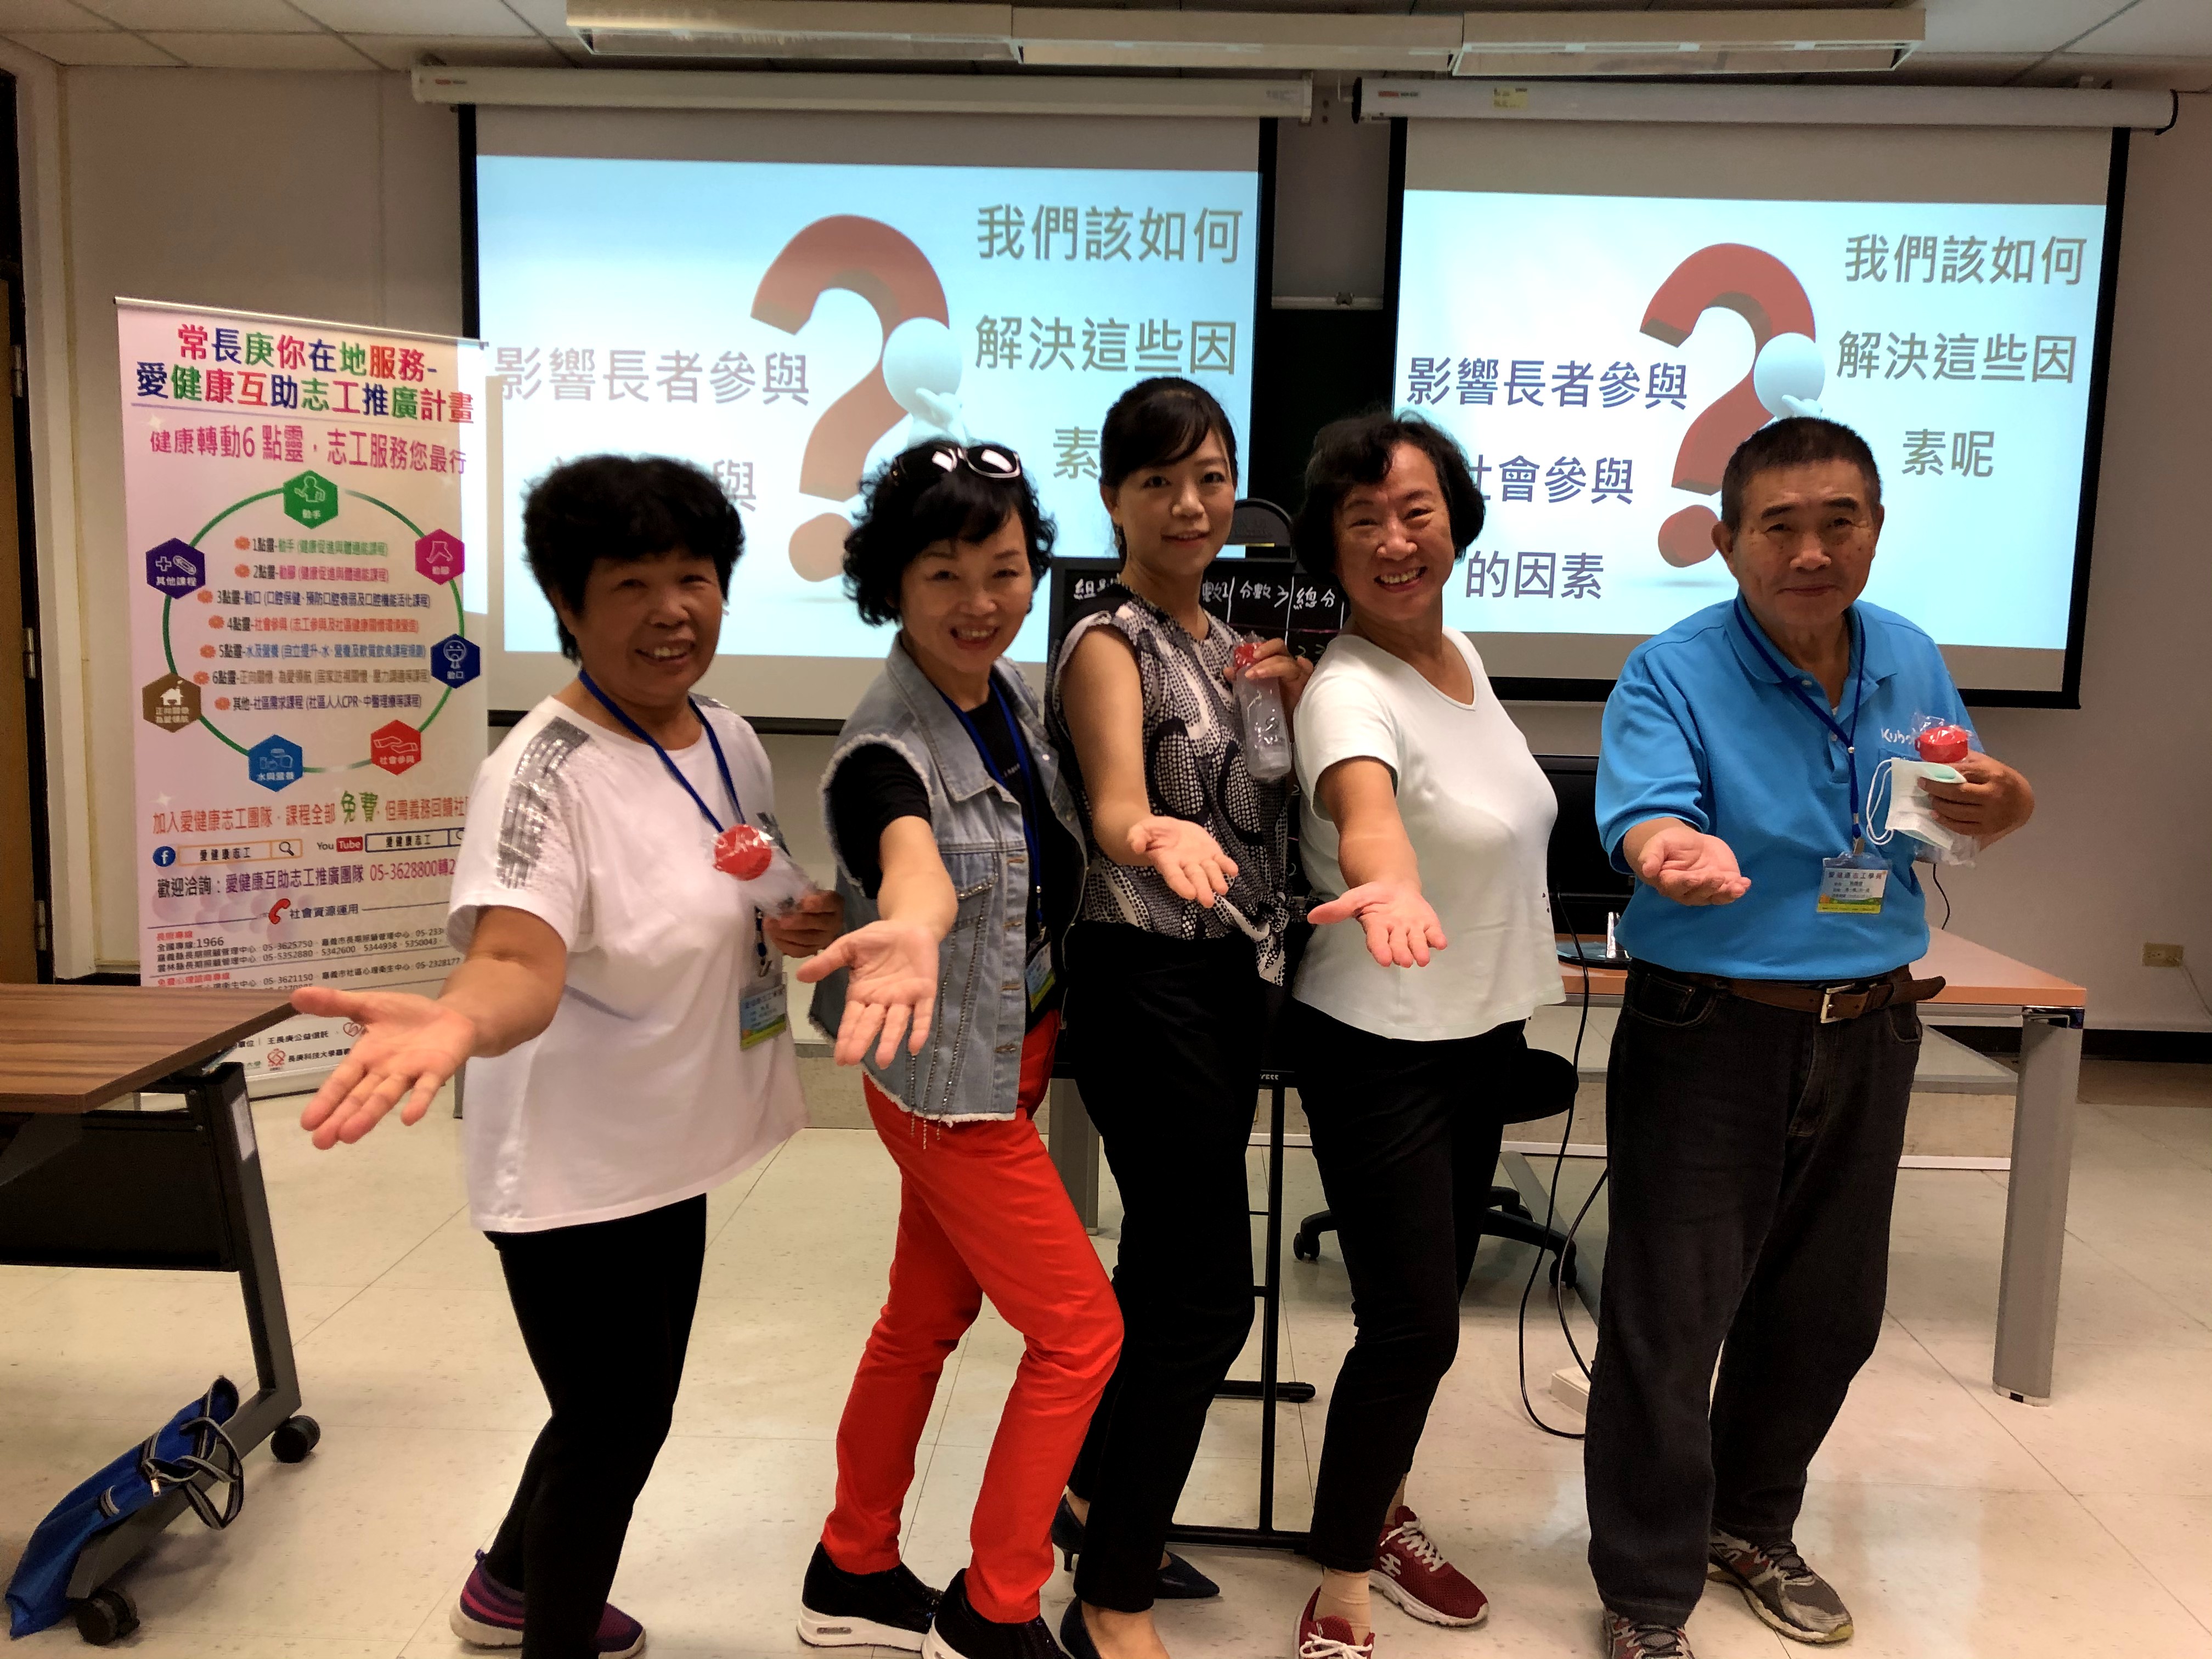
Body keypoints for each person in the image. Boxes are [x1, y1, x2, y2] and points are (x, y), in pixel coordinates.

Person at [291, 455, 841, 1659]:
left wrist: (795, 916)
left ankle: (504, 1584)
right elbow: (515, 956)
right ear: (566, 606)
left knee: (610, 1406)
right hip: (572, 1163)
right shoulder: (539, 776)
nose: (671, 611)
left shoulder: (727, 737)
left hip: (667, 1138)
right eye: (630, 584)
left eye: (693, 577)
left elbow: (739, 870)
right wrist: (458, 1019)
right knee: (614, 1427)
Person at [1585, 417, 2036, 1659]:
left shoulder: (1908, 655)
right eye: (1778, 525)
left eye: (1839, 522)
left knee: (1827, 1310)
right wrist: (1669, 851)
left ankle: (1752, 1524)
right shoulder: (1672, 670)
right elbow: (1647, 816)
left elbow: (1945, 816)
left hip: (1869, 1023)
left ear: (1876, 531)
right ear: (1726, 540)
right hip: (1710, 1027)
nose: (1811, 550)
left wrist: (2004, 805)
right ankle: (1646, 1591)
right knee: (1672, 1319)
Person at [793, 441, 1122, 1659]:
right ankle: (996, 1606)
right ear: (892, 584)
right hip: (952, 1089)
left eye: (1005, 568)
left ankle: (851, 1564)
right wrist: (914, 922)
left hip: (1006, 1058)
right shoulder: (884, 751)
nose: (981, 601)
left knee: (924, 1319)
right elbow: (909, 853)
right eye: (944, 574)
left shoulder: (1007, 697)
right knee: (1082, 1332)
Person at [1284, 412, 1565, 1659]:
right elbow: (1368, 813)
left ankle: (1379, 1508)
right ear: (1331, 548)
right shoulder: (1346, 691)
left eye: (1417, 513)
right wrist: (1386, 880)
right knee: (1414, 1328)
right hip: (1381, 1036)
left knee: (1430, 1303)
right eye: (1365, 522)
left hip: (1476, 1029)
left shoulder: (1462, 656)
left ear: (1456, 523)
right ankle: (1342, 1583)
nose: (1397, 541)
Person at [1045, 377, 1310, 1659]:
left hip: (1229, 982)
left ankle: (1095, 1503)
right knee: (1209, 1300)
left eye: (1210, 477)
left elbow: (1267, 805)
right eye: (1159, 482)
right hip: (1143, 977)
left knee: (1162, 1277)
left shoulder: (1229, 648)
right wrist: (1152, 831)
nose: (1191, 503)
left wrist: (1289, 705)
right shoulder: (1110, 642)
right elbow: (1113, 807)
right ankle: (1111, 1599)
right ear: (1115, 499)